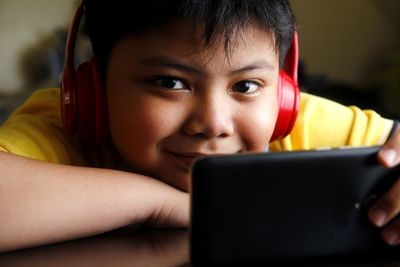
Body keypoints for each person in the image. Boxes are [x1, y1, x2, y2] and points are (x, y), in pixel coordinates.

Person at [0, 0, 399, 252]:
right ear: (92, 92)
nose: (213, 124)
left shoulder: (293, 124)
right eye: (170, 83)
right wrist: (158, 202)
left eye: (245, 85)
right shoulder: (60, 129)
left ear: (283, 97)